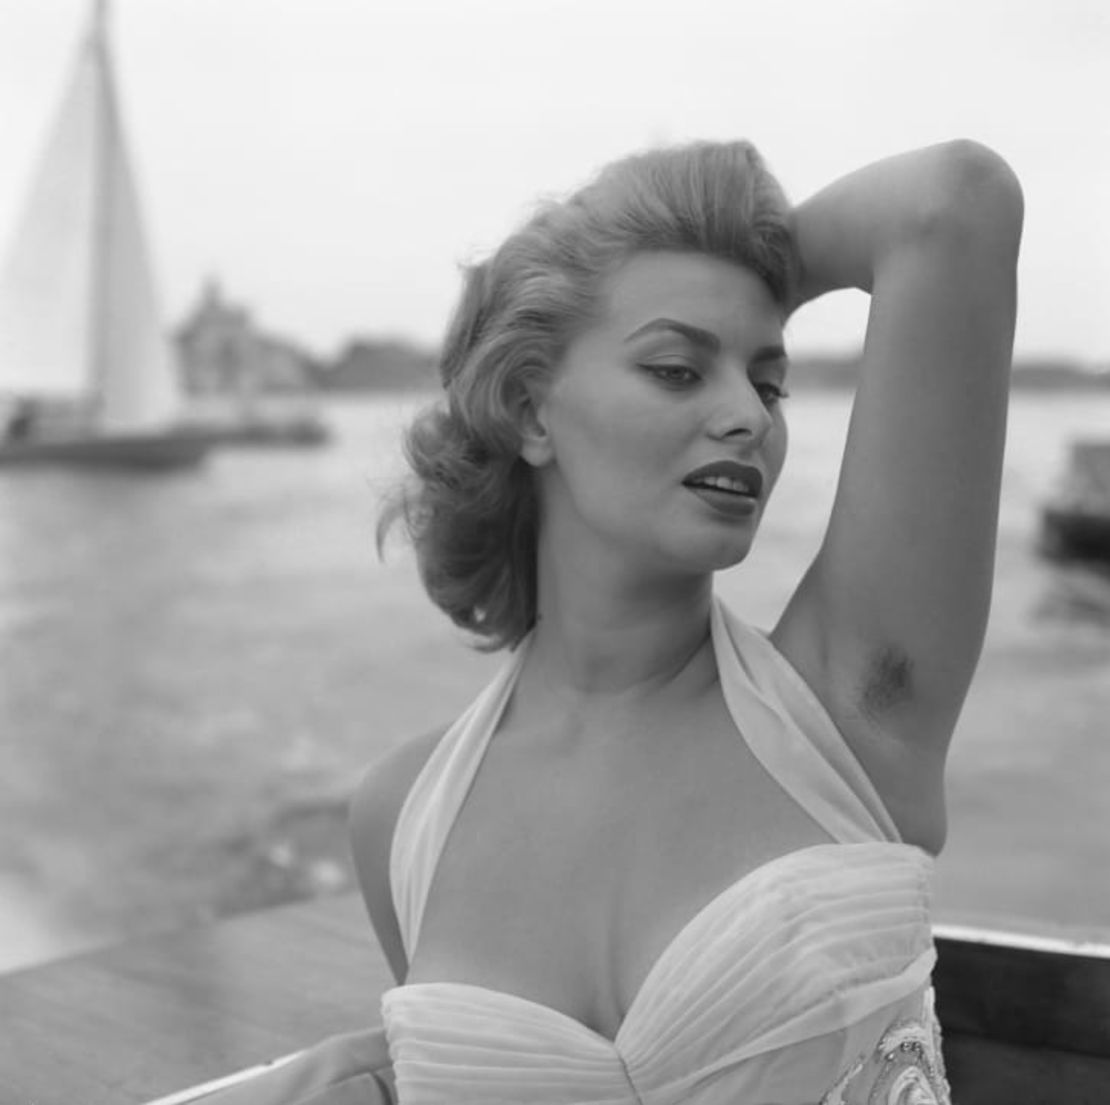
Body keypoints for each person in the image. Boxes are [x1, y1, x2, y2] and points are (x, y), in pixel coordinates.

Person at [209, 137, 1022, 1104]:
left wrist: (757, 264)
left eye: (768, 381)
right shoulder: (401, 820)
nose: (749, 418)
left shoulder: (848, 706)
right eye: (679, 368)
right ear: (530, 412)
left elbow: (953, 203)